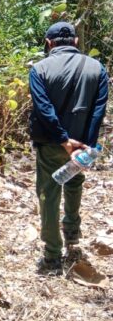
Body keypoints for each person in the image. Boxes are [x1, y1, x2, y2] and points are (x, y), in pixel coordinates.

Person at [29, 21, 108, 272]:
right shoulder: (98, 68)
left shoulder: (39, 69)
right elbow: (98, 111)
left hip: (53, 143)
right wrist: (87, 146)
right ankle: (72, 234)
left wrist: (63, 140)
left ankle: (52, 256)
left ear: (49, 44)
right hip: (82, 143)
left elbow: (44, 110)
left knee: (49, 193)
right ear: (75, 42)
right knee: (74, 182)